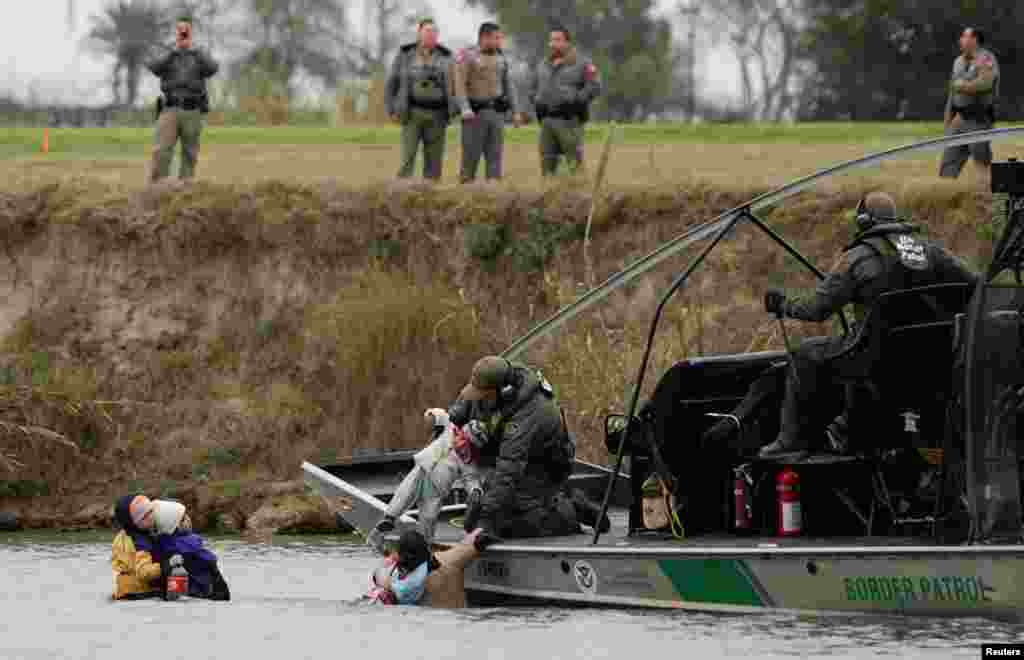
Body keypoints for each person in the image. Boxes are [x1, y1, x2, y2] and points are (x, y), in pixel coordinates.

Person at [751, 192, 978, 456]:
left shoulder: (858, 257)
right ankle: (845, 426)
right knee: (854, 344)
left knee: (803, 354)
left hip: (875, 356)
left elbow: (817, 310)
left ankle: (790, 441)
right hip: (931, 357)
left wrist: (783, 305)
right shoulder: (931, 251)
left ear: (862, 221)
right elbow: (975, 285)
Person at [446, 356, 591, 539]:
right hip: (515, 455)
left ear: (502, 392)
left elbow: (509, 469)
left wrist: (486, 520)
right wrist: (452, 424)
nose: (479, 400)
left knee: (510, 525)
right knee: (484, 507)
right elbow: (466, 402)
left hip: (544, 465)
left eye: (484, 396)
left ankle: (573, 510)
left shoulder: (528, 411)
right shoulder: (495, 377)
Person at [366, 409, 488, 551]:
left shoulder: (467, 461)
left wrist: (475, 490)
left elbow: (471, 479)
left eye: (467, 443)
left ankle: (425, 545)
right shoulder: (449, 429)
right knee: (402, 497)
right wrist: (431, 415)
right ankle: (384, 526)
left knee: (428, 517)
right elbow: (440, 415)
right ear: (462, 431)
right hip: (422, 470)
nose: (462, 443)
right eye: (463, 438)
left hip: (436, 489)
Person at [146, 15, 219, 183]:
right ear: (175, 32)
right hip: (169, 109)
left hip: (192, 110)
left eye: (186, 30)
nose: (183, 33)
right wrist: (173, 52)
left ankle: (186, 187)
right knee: (161, 151)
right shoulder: (167, 51)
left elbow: (212, 68)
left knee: (190, 153)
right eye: (180, 30)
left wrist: (196, 51)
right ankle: (158, 187)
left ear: (191, 32)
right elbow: (154, 67)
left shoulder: (199, 53)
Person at [385, 19, 456, 181]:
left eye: (434, 32)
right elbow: (391, 83)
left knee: (434, 162)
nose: (431, 35)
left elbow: (455, 85)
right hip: (412, 113)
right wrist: (391, 110)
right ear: (419, 33)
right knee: (407, 158)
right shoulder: (405, 54)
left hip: (438, 114)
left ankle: (430, 196)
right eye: (427, 32)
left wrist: (456, 109)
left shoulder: (446, 56)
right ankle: (402, 195)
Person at [454, 22, 525, 183]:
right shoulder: (467, 55)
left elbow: (509, 85)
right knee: (470, 162)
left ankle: (493, 194)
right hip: (474, 116)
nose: (500, 42)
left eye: (500, 38)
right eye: (496, 38)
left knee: (495, 161)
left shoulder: (501, 57)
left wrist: (516, 111)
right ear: (484, 37)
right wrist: (464, 108)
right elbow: (459, 84)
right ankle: (466, 195)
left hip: (497, 115)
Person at [528, 26, 602, 176]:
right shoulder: (543, 65)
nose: (553, 44)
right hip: (547, 123)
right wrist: (537, 101)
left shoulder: (582, 63)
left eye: (558, 40)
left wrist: (575, 101)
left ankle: (581, 196)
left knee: (575, 166)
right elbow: (532, 88)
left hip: (570, 123)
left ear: (567, 43)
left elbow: (594, 86)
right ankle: (550, 195)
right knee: (547, 167)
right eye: (551, 40)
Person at [367, 528, 498, 607]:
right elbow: (477, 541)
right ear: (427, 548)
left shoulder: (391, 580)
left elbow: (377, 575)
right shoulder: (449, 559)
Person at [939, 27, 1000, 183]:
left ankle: (985, 199)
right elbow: (952, 95)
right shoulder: (957, 62)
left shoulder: (986, 59)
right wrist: (947, 123)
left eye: (964, 37)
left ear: (974, 40)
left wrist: (963, 86)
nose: (961, 40)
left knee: (982, 165)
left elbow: (986, 84)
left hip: (979, 120)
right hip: (959, 120)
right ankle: (946, 198)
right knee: (948, 164)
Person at [151, 500, 231, 601]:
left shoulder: (159, 546)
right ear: (176, 525)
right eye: (184, 518)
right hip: (202, 594)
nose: (189, 518)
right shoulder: (192, 545)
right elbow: (211, 563)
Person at [111, 495, 162, 600]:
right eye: (145, 516)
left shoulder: (122, 535)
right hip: (139, 593)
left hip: (123, 590)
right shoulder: (140, 542)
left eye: (151, 511)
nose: (151, 516)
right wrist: (166, 565)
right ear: (133, 522)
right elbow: (144, 572)